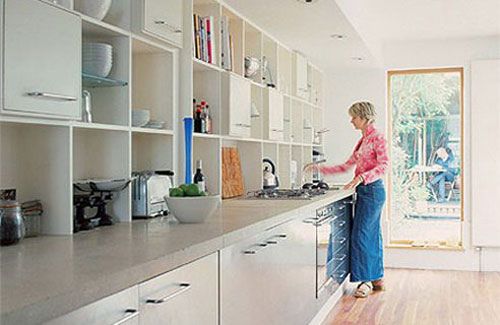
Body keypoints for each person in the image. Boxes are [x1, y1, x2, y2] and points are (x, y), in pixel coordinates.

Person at [305, 101, 388, 298]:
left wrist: (361, 177)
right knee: (370, 234)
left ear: (364, 117)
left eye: (354, 117)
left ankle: (365, 281)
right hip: (363, 191)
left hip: (373, 191)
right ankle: (376, 277)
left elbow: (384, 166)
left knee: (362, 235)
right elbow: (345, 166)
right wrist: (319, 168)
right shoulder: (362, 141)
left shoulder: (378, 138)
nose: (351, 121)